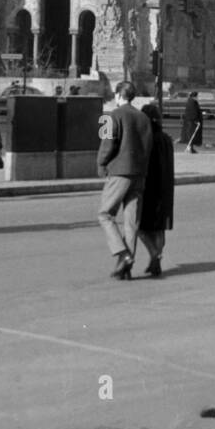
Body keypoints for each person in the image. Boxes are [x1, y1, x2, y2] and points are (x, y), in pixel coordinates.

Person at [96, 81, 152, 280]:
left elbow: (106, 144)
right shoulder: (144, 118)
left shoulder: (112, 116)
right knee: (131, 221)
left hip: (119, 171)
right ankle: (126, 267)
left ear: (119, 95)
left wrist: (101, 163)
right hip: (139, 174)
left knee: (105, 214)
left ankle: (123, 253)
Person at [138, 103, 175, 278]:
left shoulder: (146, 139)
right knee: (160, 227)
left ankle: (154, 254)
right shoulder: (167, 139)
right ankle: (156, 260)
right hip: (166, 188)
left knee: (141, 227)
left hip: (149, 187)